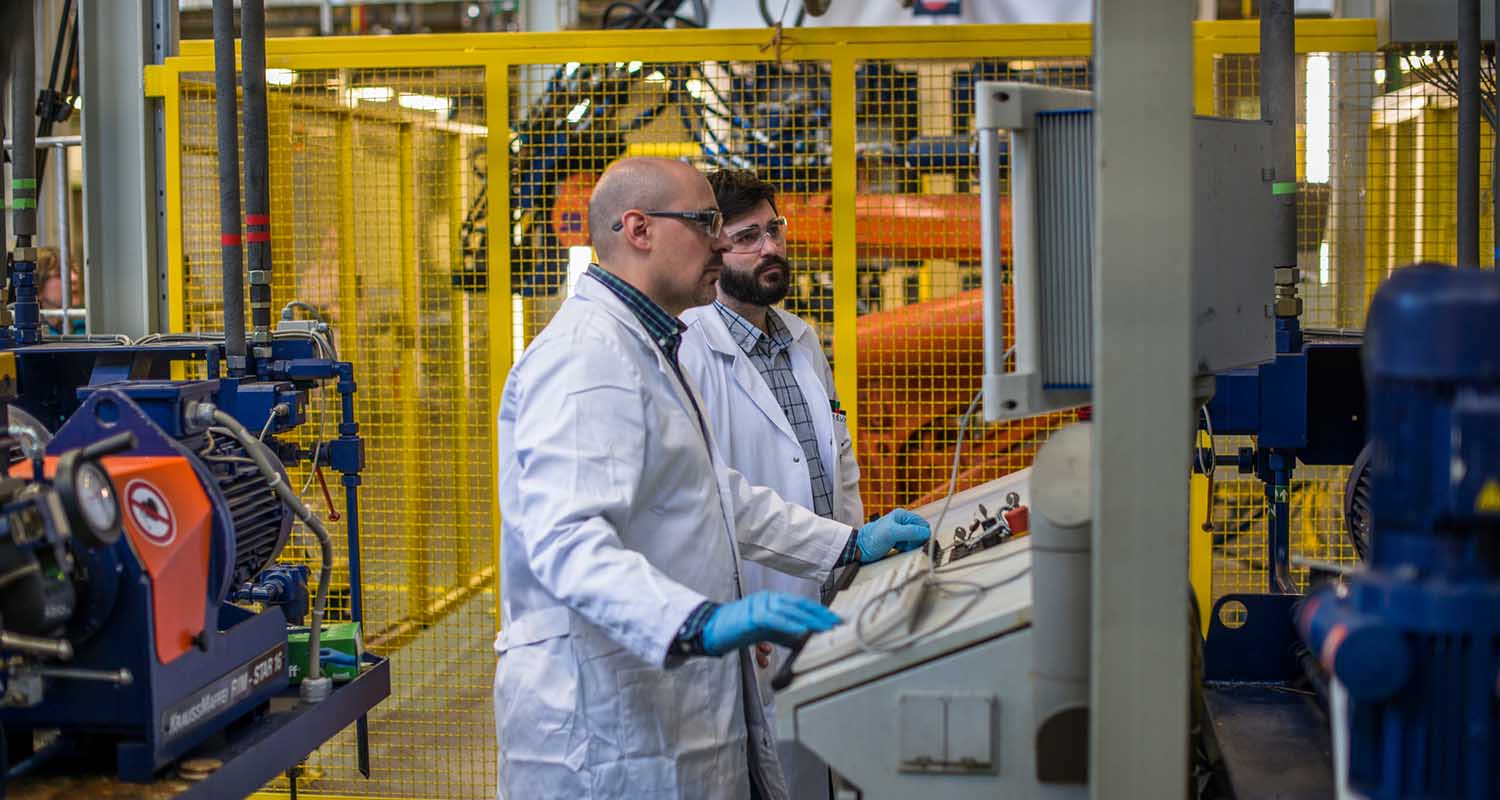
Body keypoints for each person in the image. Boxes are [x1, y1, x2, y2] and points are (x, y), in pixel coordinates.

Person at [493, 157, 930, 800]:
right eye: (706, 223)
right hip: (605, 729)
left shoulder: (647, 345)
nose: (722, 244)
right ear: (638, 229)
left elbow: (713, 495)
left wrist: (846, 545)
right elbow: (565, 541)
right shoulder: (589, 357)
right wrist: (696, 622)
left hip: (662, 708)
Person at [677, 169, 859, 800]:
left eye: (774, 228)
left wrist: (855, 553)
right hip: (751, 609)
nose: (772, 248)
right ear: (714, 250)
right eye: (748, 236)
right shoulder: (690, 351)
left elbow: (839, 466)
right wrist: (728, 609)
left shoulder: (802, 340)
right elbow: (700, 501)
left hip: (827, 595)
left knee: (826, 764)